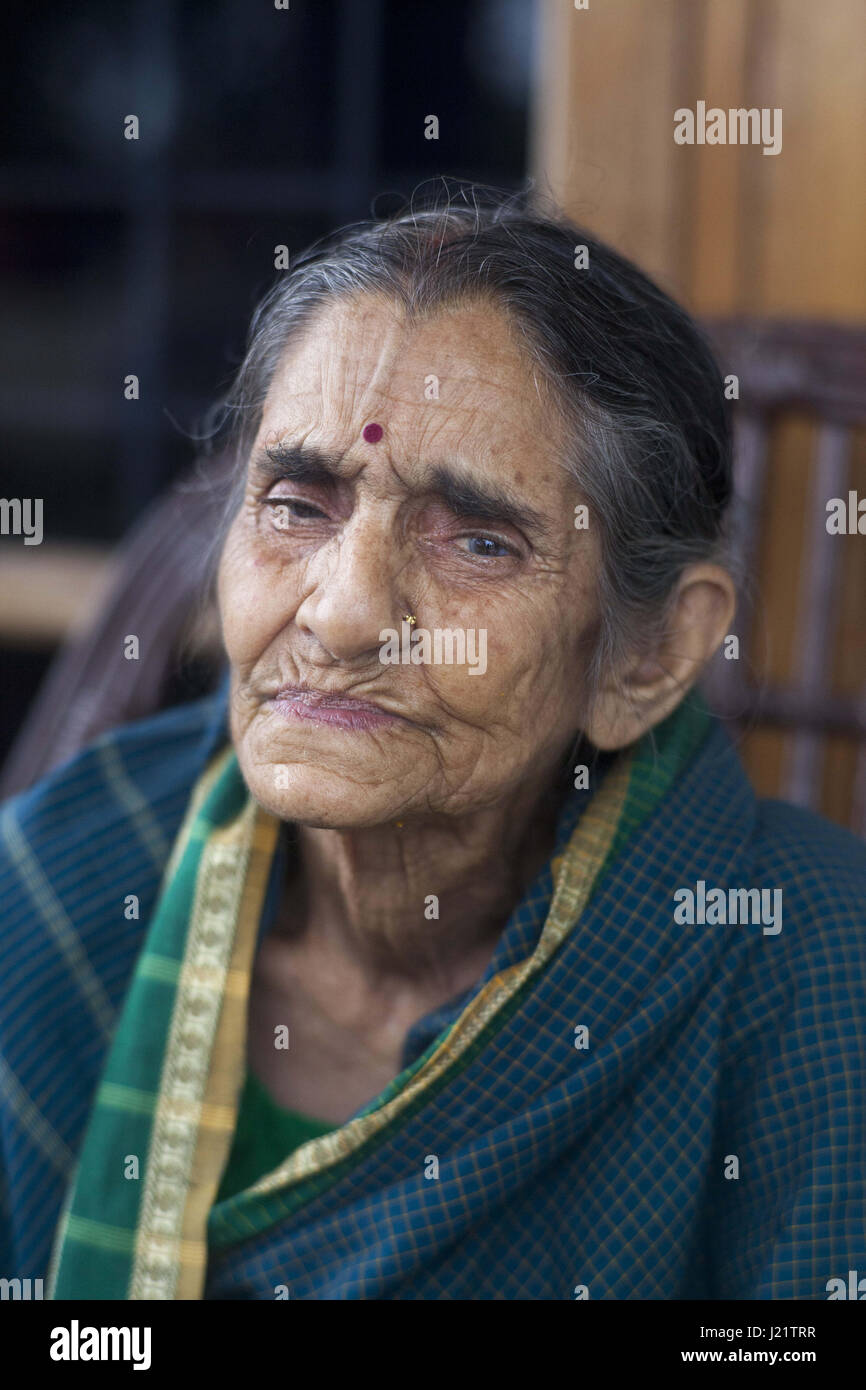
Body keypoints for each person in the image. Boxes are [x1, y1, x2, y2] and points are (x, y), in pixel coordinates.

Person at [1, 187, 864, 1300]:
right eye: (297, 506)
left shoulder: (815, 979)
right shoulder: (62, 894)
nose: (343, 612)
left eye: (477, 540)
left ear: (647, 655)